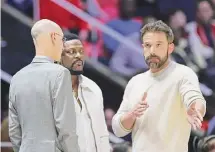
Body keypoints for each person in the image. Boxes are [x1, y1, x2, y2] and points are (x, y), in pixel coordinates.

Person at [112, 20, 206, 152]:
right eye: (148, 45)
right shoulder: (135, 81)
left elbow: (194, 98)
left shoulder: (183, 74)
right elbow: (118, 128)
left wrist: (196, 108)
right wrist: (131, 115)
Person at [8, 19, 80, 152]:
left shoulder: (17, 77)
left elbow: (14, 131)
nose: (63, 45)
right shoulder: (60, 73)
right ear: (54, 37)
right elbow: (66, 128)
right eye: (62, 39)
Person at [60, 33, 110, 152]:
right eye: (71, 52)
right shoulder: (49, 89)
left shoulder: (93, 88)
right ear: (58, 56)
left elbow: (101, 132)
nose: (78, 56)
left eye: (81, 51)